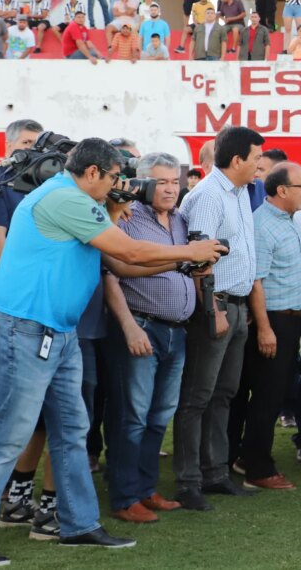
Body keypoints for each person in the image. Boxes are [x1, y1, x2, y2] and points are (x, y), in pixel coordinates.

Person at [0, 139, 226, 566]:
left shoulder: (78, 197)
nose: (124, 186)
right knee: (8, 434)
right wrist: (189, 251)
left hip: (56, 330)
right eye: (116, 177)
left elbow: (121, 266)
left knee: (72, 431)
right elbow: (129, 251)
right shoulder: (65, 198)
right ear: (94, 172)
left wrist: (181, 264)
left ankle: (78, 525)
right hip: (26, 328)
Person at [101, 153, 196, 524]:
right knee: (132, 416)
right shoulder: (125, 216)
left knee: (158, 416)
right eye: (163, 182)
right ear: (141, 183)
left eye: (176, 181)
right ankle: (124, 497)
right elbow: (110, 274)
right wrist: (128, 325)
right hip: (141, 326)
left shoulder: (181, 220)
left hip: (177, 331)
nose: (171, 189)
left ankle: (145, 489)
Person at [175, 127, 265, 511]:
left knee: (223, 395)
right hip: (216, 306)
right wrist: (213, 308)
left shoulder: (240, 192)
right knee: (198, 396)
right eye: (257, 159)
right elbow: (198, 259)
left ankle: (215, 473)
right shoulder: (210, 196)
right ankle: (188, 481)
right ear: (237, 160)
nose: (261, 166)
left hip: (238, 304)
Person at [231, 162, 301, 492]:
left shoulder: (288, 220)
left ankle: (242, 457)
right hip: (274, 320)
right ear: (282, 191)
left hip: (290, 319)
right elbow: (256, 281)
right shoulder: (263, 225)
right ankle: (258, 468)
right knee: (267, 396)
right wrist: (265, 329)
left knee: (268, 393)